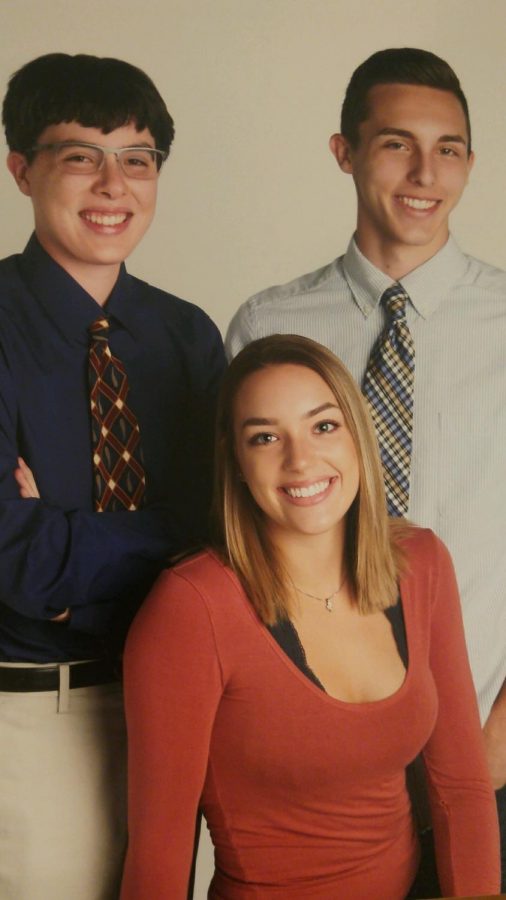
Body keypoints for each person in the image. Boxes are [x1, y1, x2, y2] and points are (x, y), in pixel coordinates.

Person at [226, 47, 506, 889]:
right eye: (396, 144)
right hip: (327, 762)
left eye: (449, 148)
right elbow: (239, 533)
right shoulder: (267, 326)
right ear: (344, 151)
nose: (426, 173)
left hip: (490, 743)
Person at [121, 333, 500, 899]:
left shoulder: (421, 563)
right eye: (266, 437)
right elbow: (161, 844)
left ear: (357, 435)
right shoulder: (193, 605)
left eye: (323, 426)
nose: (301, 460)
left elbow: (461, 786)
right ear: (237, 462)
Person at [0, 53, 225, 899]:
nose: (113, 185)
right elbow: (10, 555)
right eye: (79, 155)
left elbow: (231, 530)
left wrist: (63, 564)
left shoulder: (186, 336)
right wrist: (170, 543)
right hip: (36, 714)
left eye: (137, 158)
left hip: (181, 709)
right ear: (21, 168)